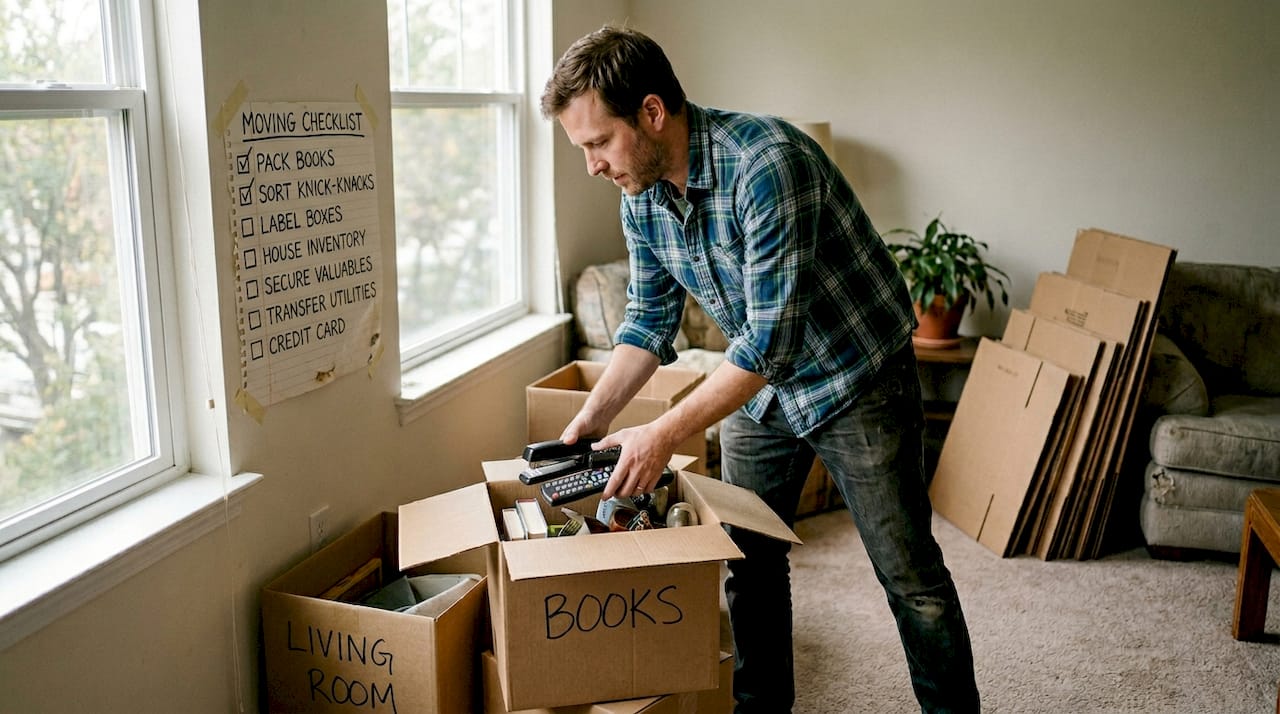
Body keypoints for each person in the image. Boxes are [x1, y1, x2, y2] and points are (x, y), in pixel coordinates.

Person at [540, 25, 980, 714]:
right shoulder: (640, 193)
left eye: (598, 142)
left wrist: (660, 435)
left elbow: (772, 345)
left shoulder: (767, 164)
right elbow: (649, 322)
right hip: (762, 392)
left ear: (652, 113)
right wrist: (591, 420)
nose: (593, 165)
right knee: (749, 564)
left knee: (910, 578)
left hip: (855, 374)